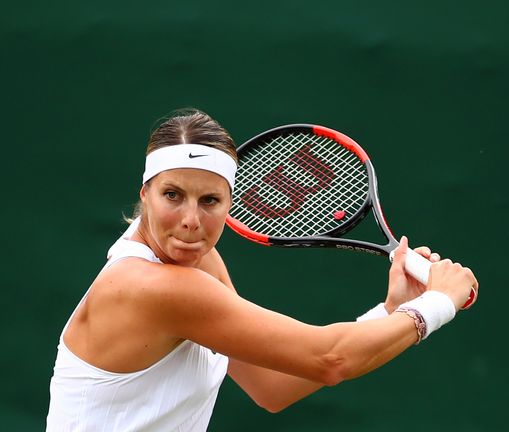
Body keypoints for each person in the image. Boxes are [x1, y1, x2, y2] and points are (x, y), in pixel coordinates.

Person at [45, 109, 478, 431]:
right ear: (146, 192)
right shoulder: (151, 286)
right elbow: (330, 359)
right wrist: (439, 303)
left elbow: (271, 387)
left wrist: (391, 310)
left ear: (231, 203)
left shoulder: (199, 262)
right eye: (173, 195)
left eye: (210, 201)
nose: (191, 220)